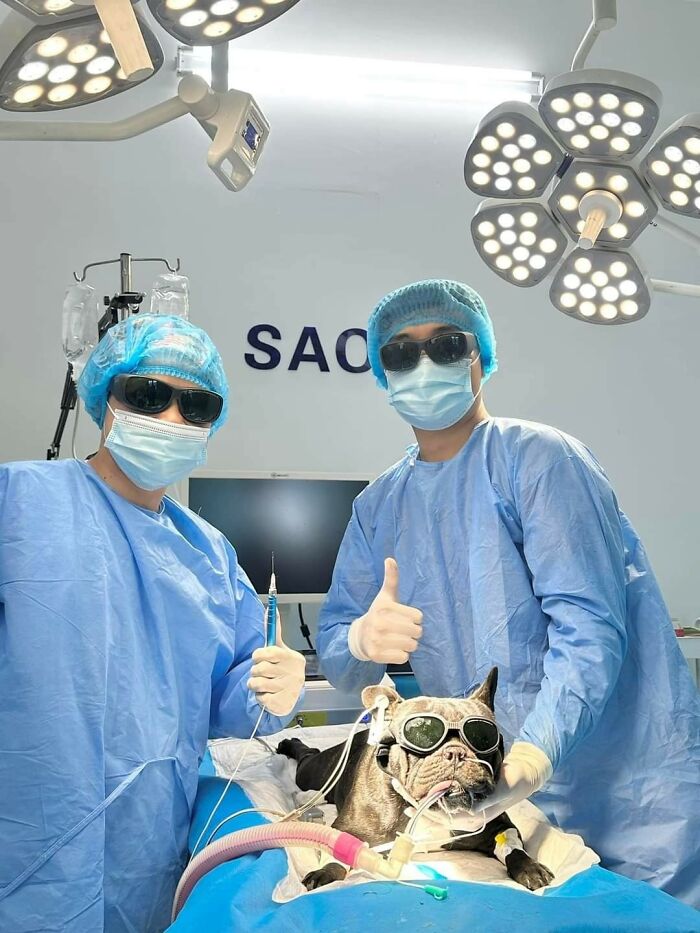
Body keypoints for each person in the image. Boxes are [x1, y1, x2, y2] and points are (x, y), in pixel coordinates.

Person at [317, 279, 700, 908]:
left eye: (444, 343)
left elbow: (590, 629)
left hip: (622, 784)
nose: (423, 363)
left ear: (479, 356)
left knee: (639, 917)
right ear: (382, 376)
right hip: (482, 790)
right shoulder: (378, 506)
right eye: (400, 354)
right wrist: (361, 639)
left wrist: (533, 755)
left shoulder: (541, 460)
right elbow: (336, 651)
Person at [0, 314, 306, 932]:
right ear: (103, 400)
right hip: (25, 844)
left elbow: (233, 702)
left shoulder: (210, 554)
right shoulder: (18, 501)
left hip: (145, 854)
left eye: (196, 405)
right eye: (146, 395)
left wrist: (275, 685)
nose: (170, 419)